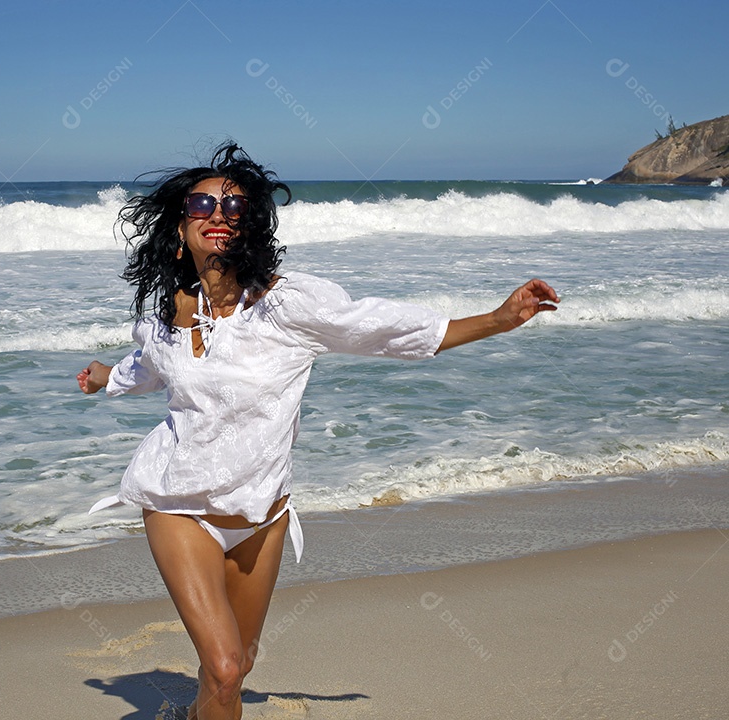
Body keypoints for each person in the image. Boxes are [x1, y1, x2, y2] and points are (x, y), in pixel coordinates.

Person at [77, 143, 559, 720]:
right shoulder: (164, 318)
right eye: (202, 204)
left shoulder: (285, 306)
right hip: (178, 502)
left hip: (262, 513)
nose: (218, 214)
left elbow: (377, 327)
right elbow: (150, 368)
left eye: (235, 207)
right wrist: (105, 377)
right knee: (226, 667)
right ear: (181, 228)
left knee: (235, 668)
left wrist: (498, 320)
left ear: (250, 225)